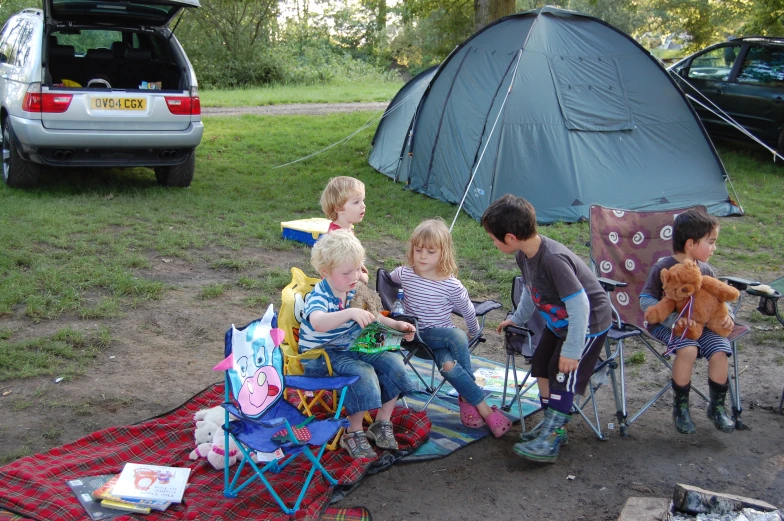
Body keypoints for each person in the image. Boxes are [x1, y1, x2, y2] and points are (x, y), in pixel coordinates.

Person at [481, 195, 611, 463]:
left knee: (562, 372)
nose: (493, 243)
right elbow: (532, 289)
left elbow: (581, 307)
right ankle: (552, 426)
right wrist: (518, 318)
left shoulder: (553, 260)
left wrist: (573, 351)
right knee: (541, 365)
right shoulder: (524, 255)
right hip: (559, 323)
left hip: (587, 325)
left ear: (510, 237)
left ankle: (551, 436)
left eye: (493, 238)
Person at [298, 230, 417, 459]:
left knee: (393, 362)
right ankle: (353, 432)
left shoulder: (351, 288)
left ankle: (381, 422)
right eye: (346, 272)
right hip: (322, 355)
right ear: (325, 272)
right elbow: (318, 322)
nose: (354, 276)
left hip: (351, 345)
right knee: (362, 372)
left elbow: (374, 316)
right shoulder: (319, 295)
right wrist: (350, 313)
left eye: (357, 268)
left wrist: (397, 326)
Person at [388, 218, 512, 437]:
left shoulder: (451, 284)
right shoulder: (404, 274)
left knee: (449, 365)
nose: (423, 256)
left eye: (431, 252)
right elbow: (385, 282)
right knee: (456, 335)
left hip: (439, 339)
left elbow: (468, 310)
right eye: (418, 250)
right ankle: (483, 407)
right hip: (412, 335)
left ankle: (467, 399)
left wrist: (474, 331)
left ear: (443, 253)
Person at [640, 208, 735, 434]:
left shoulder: (705, 269)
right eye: (710, 242)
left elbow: (720, 295)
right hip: (669, 324)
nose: (714, 248)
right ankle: (681, 408)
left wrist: (728, 316)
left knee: (721, 350)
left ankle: (717, 408)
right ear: (691, 244)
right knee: (688, 349)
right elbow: (646, 299)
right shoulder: (663, 267)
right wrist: (673, 320)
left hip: (703, 324)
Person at [320, 176, 368, 283]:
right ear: (338, 208)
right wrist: (361, 276)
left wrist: (359, 266)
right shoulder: (338, 238)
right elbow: (343, 269)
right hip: (338, 291)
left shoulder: (346, 229)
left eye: (363, 200)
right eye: (356, 202)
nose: (363, 206)